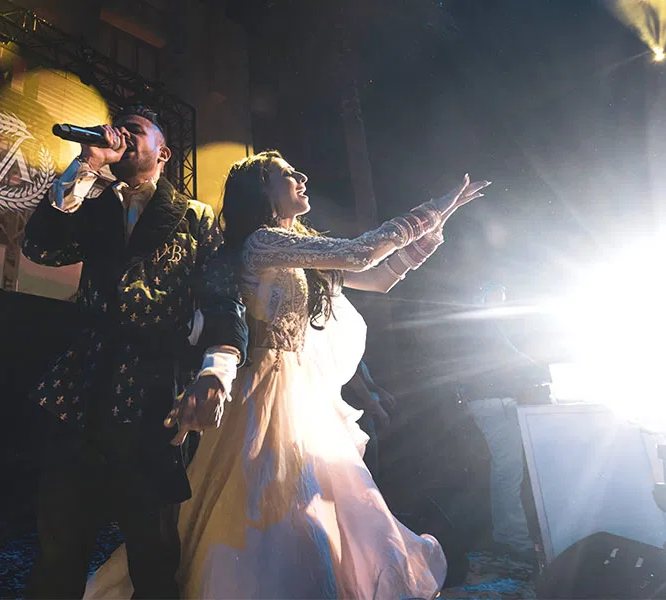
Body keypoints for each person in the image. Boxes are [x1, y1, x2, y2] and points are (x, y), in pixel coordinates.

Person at [85, 150, 490, 598]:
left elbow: (379, 278)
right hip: (263, 389)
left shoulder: (296, 248)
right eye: (286, 174)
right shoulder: (262, 243)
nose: (302, 176)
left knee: (309, 507)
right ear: (261, 192)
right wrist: (431, 208)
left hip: (301, 391)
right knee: (271, 504)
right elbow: (361, 254)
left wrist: (440, 220)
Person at [21, 105, 248, 599]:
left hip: (152, 391)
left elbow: (223, 298)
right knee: (60, 541)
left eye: (135, 130)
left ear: (164, 153)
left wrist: (216, 369)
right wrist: (87, 165)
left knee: (153, 546)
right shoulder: (93, 205)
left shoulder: (195, 215)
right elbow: (41, 247)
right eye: (117, 126)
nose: (121, 134)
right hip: (81, 386)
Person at [460, 283, 549, 563]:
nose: (503, 299)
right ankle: (514, 539)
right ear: (483, 295)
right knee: (508, 473)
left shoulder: (484, 324)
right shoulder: (483, 324)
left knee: (507, 472)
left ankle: (510, 536)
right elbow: (509, 355)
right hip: (493, 403)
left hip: (495, 401)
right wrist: (541, 370)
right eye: (498, 294)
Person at [341, 359, 398, 480]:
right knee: (366, 468)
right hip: (357, 418)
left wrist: (380, 391)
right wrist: (377, 407)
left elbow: (364, 380)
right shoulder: (342, 355)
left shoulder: (357, 360)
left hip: (366, 416)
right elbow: (354, 379)